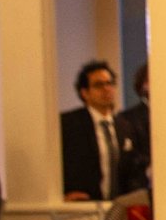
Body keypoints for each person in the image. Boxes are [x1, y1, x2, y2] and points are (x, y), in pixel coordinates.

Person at [61, 60, 147, 202]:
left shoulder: (124, 126)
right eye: (99, 85)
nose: (106, 89)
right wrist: (61, 194)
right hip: (82, 206)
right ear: (85, 93)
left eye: (110, 83)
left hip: (116, 207)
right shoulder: (69, 124)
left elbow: (132, 169)